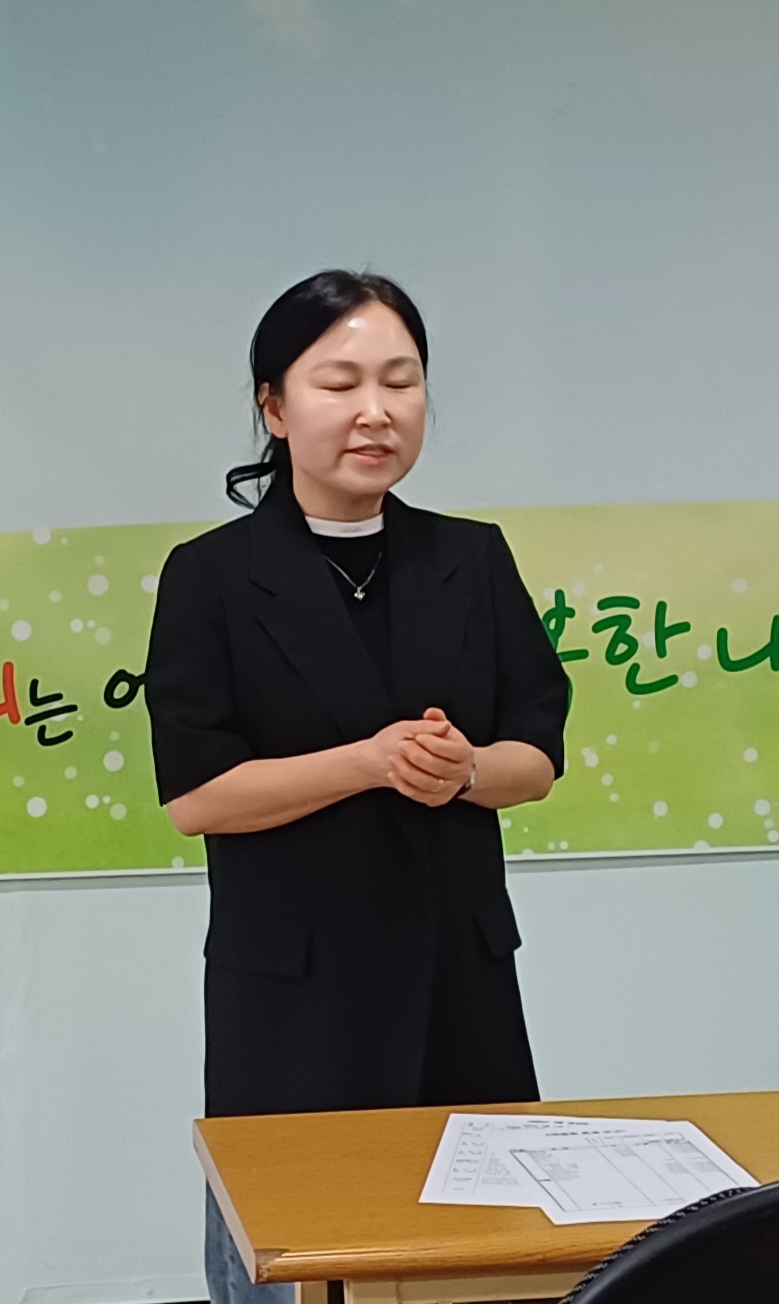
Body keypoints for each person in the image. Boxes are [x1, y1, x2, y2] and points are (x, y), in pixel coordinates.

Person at [144, 270, 569, 1304]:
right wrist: (370, 761)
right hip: (295, 997)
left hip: (458, 981)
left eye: (400, 380)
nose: (375, 410)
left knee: (478, 1265)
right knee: (302, 1257)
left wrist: (467, 769)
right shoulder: (210, 575)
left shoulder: (471, 558)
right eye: (339, 383)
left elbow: (537, 756)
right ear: (275, 406)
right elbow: (197, 796)